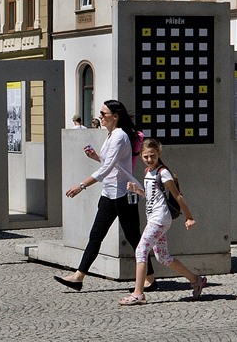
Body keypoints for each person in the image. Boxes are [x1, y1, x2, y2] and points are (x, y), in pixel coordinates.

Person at [54, 100, 156, 292]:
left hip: (123, 194)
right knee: (96, 235)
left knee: (134, 238)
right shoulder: (111, 135)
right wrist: (95, 157)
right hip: (109, 194)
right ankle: (78, 277)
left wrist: (81, 186)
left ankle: (150, 278)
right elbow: (111, 164)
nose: (100, 116)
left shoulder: (119, 136)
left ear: (115, 116)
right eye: (100, 113)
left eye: (103, 113)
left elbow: (106, 169)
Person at [119, 138, 207, 305]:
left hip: (160, 219)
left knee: (141, 250)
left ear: (158, 154)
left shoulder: (163, 172)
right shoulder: (148, 172)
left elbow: (178, 196)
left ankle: (138, 294)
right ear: (141, 156)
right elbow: (150, 195)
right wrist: (136, 190)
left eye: (153, 155)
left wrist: (189, 217)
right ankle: (196, 280)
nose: (149, 159)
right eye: (145, 156)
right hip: (155, 219)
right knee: (163, 257)